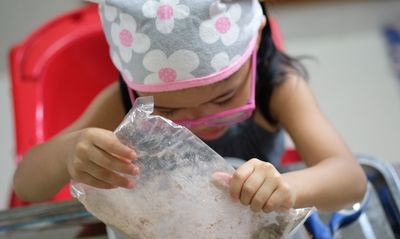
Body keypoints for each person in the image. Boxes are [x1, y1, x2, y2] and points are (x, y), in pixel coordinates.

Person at [13, 0, 367, 213]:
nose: (202, 121)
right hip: (158, 222)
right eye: (167, 112)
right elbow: (27, 187)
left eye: (224, 99)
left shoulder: (279, 87)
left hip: (248, 220)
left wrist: (290, 188)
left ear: (256, 41)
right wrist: (67, 154)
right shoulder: (120, 103)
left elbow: (351, 181)